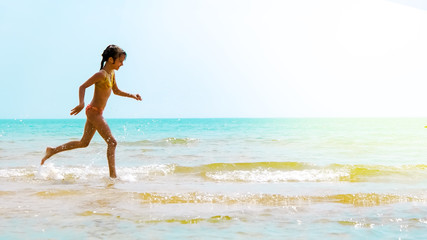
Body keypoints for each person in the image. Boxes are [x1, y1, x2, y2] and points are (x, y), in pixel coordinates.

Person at [41, 45, 142, 178]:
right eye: (120, 61)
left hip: (97, 112)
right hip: (93, 112)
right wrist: (81, 103)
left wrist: (132, 95)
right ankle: (113, 176)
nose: (122, 64)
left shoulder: (111, 74)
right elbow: (82, 86)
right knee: (112, 142)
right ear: (111, 60)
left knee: (84, 143)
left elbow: (116, 91)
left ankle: (52, 150)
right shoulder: (101, 75)